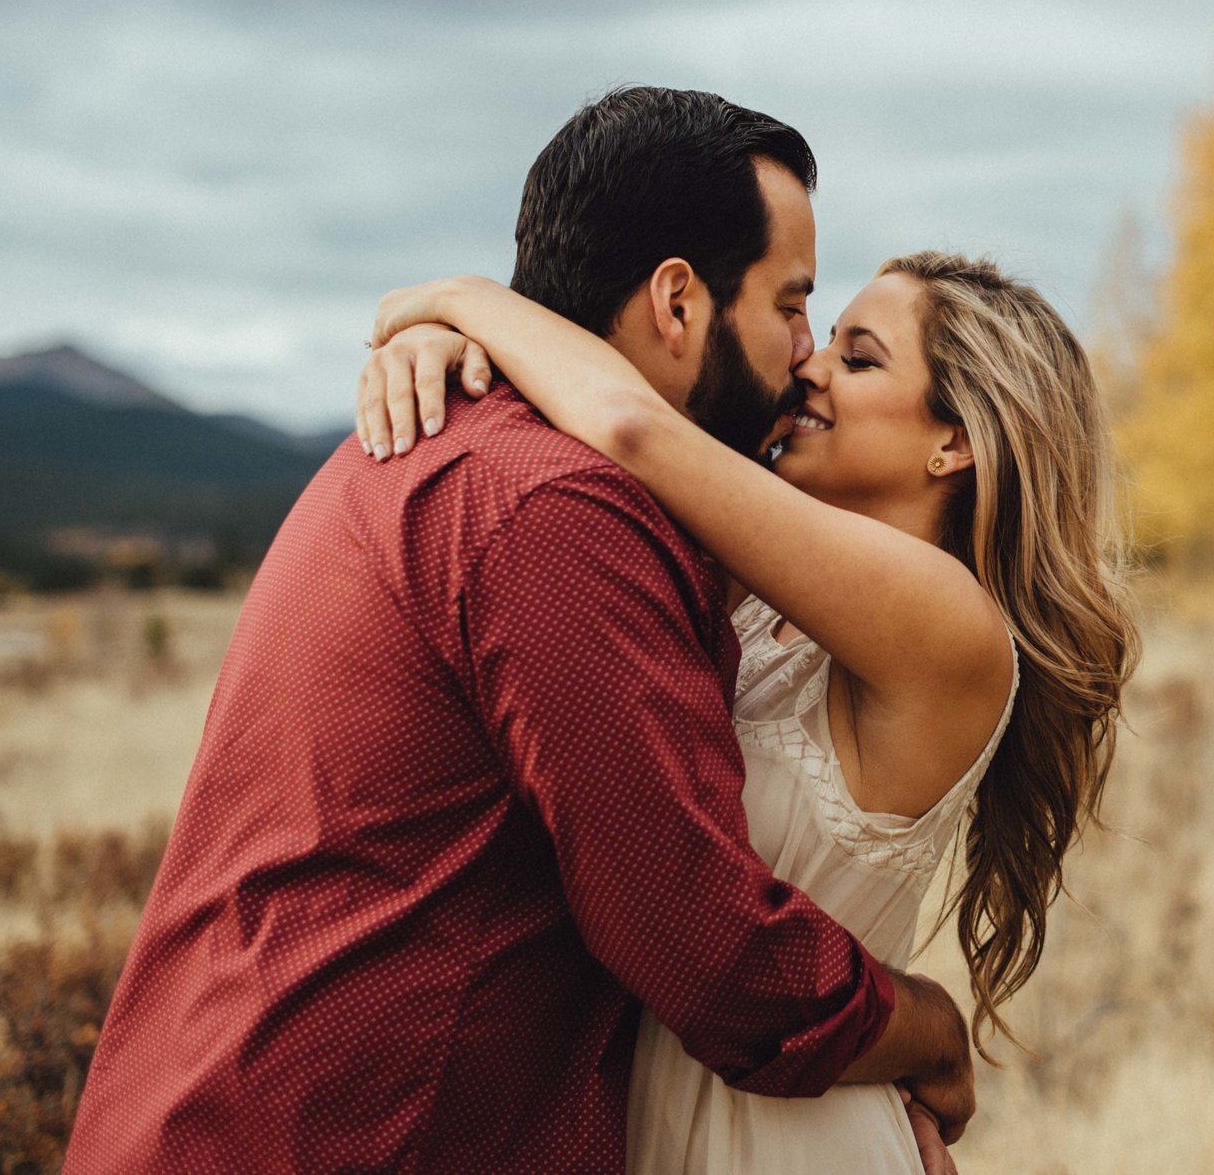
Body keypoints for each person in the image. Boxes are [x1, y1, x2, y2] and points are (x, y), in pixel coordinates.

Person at [67, 90, 977, 1175]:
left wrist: (457, 313)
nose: (803, 352)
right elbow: (713, 956)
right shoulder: (558, 513)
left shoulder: (464, 444)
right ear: (677, 303)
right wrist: (931, 1026)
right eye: (790, 304)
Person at [353, 241, 1137, 1171]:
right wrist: (452, 357)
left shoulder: (954, 628)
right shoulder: (757, 595)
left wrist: (460, 296)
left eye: (858, 357)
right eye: (824, 341)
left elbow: (630, 428)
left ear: (954, 441)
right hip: (656, 1111)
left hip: (786, 1140)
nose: (809, 366)